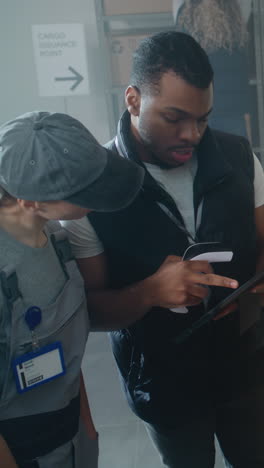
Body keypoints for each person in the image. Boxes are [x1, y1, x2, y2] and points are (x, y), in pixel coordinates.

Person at [62, 31, 264, 467]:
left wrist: (249, 293)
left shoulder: (238, 156)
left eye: (203, 119)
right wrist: (150, 292)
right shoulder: (89, 192)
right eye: (175, 117)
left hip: (245, 367)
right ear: (133, 100)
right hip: (163, 381)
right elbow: (90, 312)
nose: (192, 134)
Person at [0, 110, 144, 468]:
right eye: (84, 192)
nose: (97, 200)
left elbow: (63, 352)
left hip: (68, 439)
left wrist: (87, 431)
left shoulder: (55, 240)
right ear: (31, 200)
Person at [173, 0, 255, 142]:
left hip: (228, 110)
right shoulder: (185, 12)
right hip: (201, 109)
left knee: (235, 159)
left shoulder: (236, 10)